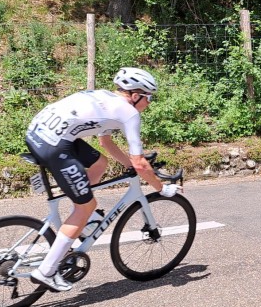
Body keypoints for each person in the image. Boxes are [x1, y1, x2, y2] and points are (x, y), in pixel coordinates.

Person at [23, 67, 180, 292]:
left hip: (38, 133)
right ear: (135, 96)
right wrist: (162, 188)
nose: (150, 103)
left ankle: (81, 217)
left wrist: (128, 164)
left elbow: (106, 143)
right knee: (87, 206)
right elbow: (140, 163)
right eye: (149, 97)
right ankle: (46, 270)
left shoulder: (105, 98)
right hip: (55, 145)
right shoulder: (129, 113)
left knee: (100, 163)